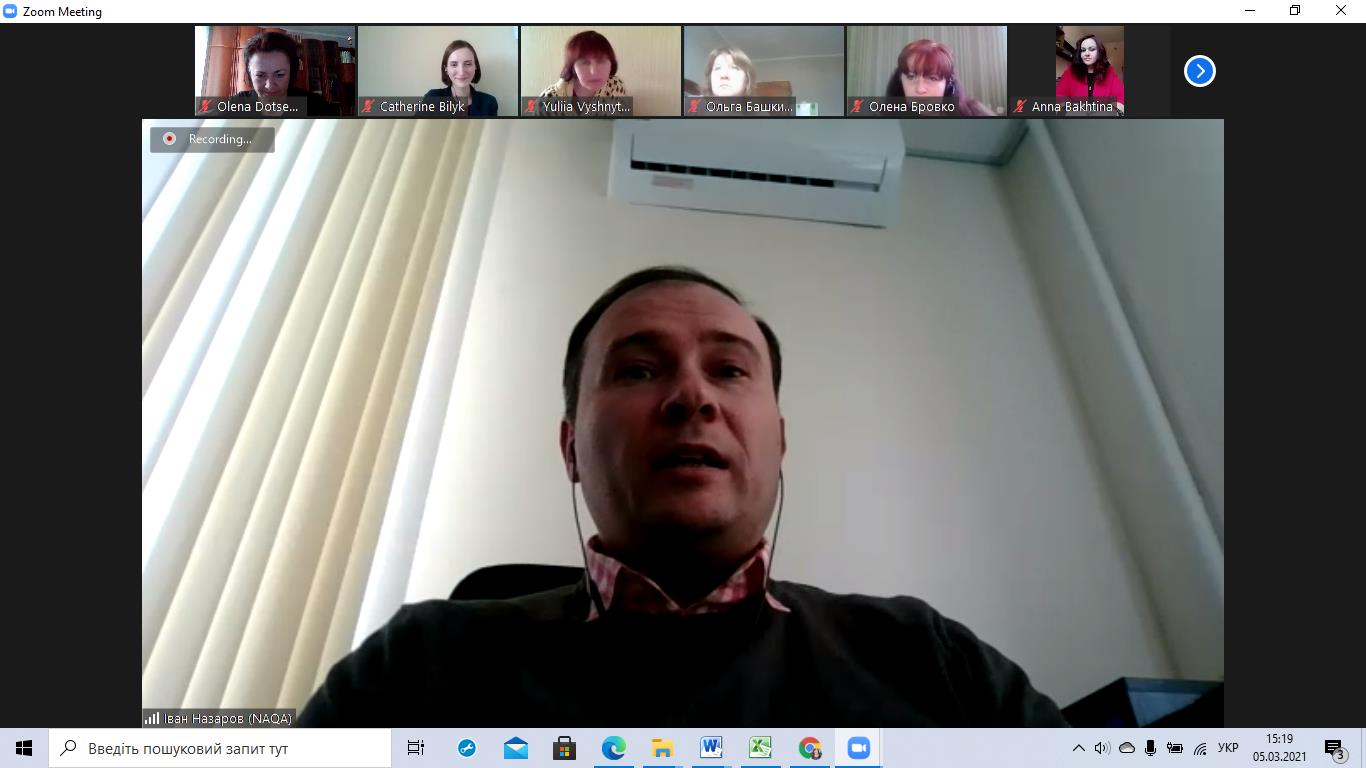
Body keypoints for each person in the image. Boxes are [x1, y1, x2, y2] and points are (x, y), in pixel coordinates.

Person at [297, 266, 1069, 726]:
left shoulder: (923, 656)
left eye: (730, 370)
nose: (692, 397)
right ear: (570, 450)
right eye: (637, 370)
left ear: (780, 442)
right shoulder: (417, 664)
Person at [228, 30, 340, 117]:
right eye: (260, 75)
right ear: (249, 73)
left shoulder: (316, 106)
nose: (270, 86)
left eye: (279, 75)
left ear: (292, 72)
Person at [884, 39, 996, 116]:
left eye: (932, 78)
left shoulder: (974, 113)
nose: (920, 89)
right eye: (911, 77)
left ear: (948, 85)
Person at [538, 30, 628, 101]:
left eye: (601, 61)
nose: (594, 71)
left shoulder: (615, 87)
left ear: (611, 63)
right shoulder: (547, 100)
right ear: (573, 67)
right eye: (585, 62)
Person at [421, 40, 498, 116]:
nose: (461, 72)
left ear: (475, 66)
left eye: (468, 64)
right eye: (454, 65)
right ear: (446, 68)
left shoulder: (489, 103)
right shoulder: (432, 98)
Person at [1055, 34, 1125, 113]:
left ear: (1099, 52)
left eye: (1092, 49)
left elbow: (1121, 96)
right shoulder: (1071, 71)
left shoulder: (1109, 72)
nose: (1087, 53)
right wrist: (1069, 112)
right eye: (1083, 50)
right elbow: (1059, 95)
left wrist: (1111, 112)